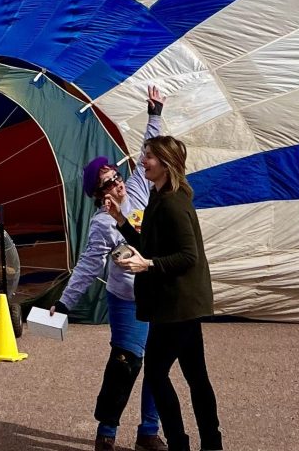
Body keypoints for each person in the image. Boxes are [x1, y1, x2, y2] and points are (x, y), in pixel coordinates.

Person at [50, 86, 167, 451]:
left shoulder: (139, 191)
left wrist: (154, 114)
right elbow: (87, 266)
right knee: (126, 363)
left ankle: (149, 431)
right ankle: (107, 433)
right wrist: (66, 303)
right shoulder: (102, 223)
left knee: (158, 367)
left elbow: (152, 153)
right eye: (107, 183)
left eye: (116, 176)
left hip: (157, 291)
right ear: (99, 195)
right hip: (127, 299)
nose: (116, 182)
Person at [106, 135, 222, 451]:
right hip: (176, 303)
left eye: (149, 157)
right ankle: (212, 444)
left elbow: (189, 255)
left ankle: (180, 444)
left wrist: (149, 265)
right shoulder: (160, 197)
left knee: (157, 375)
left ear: (166, 163)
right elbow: (150, 244)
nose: (143, 161)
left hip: (177, 305)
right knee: (196, 378)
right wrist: (120, 221)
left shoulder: (173, 203)